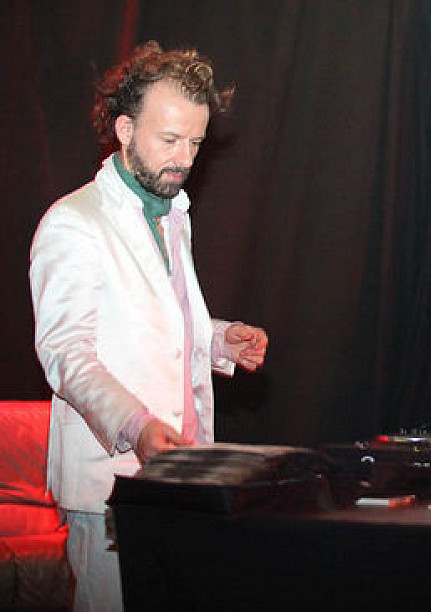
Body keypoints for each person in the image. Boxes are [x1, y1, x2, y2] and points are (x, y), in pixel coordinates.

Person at [29, 41, 268, 611]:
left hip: (181, 477)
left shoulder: (172, 212)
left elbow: (154, 319)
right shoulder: (73, 222)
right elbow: (66, 354)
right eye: (169, 139)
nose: (184, 158)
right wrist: (136, 425)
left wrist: (219, 339)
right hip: (109, 480)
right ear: (125, 129)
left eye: (196, 143)